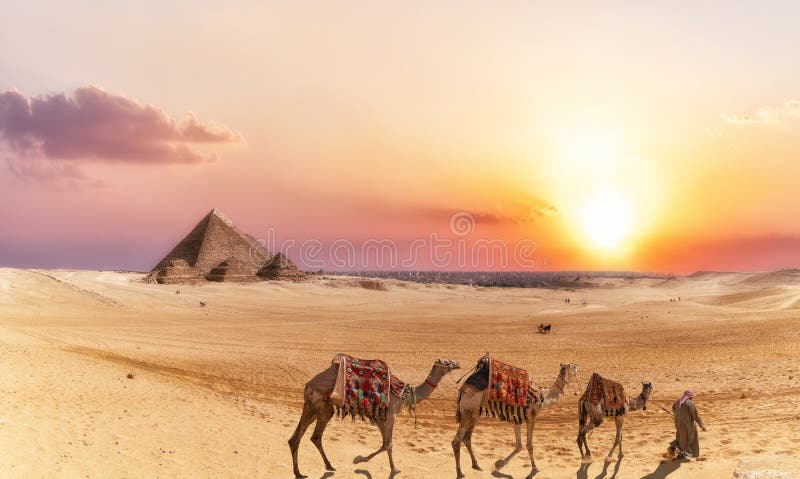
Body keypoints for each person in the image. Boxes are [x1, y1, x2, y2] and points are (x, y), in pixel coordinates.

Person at [668, 389, 706, 459]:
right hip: (687, 424)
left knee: (681, 437)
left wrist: (678, 415)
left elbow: (673, 409)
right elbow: (695, 415)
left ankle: (672, 447)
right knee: (690, 439)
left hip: (678, 423)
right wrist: (702, 425)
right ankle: (683, 454)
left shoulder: (677, 401)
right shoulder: (690, 403)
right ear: (689, 397)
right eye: (692, 397)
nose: (692, 398)